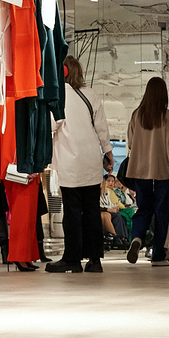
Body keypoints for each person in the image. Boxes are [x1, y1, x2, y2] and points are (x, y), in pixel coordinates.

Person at [47, 55, 112, 274]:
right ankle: (95, 260)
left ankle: (72, 259)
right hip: (92, 161)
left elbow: (52, 124)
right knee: (92, 211)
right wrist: (108, 152)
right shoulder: (91, 94)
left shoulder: (59, 96)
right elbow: (101, 127)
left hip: (70, 163)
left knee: (72, 212)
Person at [124, 76, 169, 265]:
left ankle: (136, 238)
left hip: (140, 170)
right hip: (161, 171)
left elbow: (131, 142)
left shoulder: (137, 114)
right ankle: (158, 255)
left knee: (143, 208)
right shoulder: (167, 116)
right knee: (161, 212)